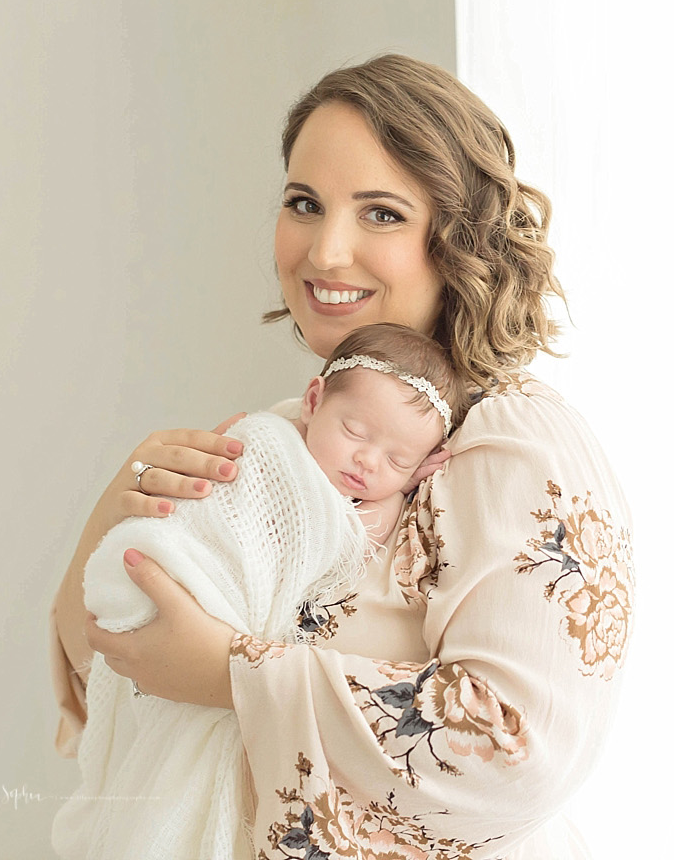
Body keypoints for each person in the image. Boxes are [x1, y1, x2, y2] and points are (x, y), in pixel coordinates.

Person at [50, 53, 634, 859]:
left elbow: (517, 748)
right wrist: (114, 519)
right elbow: (104, 685)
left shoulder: (512, 443)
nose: (325, 252)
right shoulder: (282, 440)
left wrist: (234, 675)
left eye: (382, 214)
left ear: (457, 239)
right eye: (304, 203)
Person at [54, 323, 469, 860]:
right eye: (355, 431)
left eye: (396, 461)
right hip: (185, 576)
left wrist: (400, 492)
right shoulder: (269, 441)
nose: (368, 462)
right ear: (313, 402)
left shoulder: (364, 496)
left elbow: (350, 537)